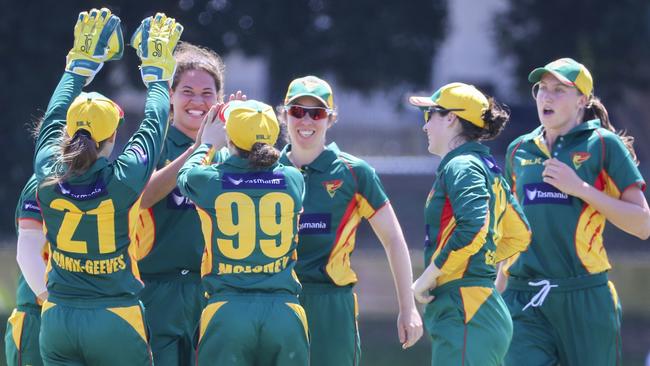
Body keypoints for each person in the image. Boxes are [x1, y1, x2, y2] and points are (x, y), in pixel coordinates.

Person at [33, 9, 182, 365]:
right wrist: (158, 75)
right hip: (114, 316)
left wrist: (78, 66)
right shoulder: (124, 177)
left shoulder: (47, 170)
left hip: (58, 318)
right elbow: (155, 120)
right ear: (114, 136)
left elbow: (53, 115)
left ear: (67, 135)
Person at [501, 57, 650, 366]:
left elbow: (642, 224)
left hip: (585, 297)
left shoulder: (603, 145)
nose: (547, 96)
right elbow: (511, 229)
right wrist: (494, 296)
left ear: (583, 99)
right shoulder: (518, 149)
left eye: (559, 89)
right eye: (542, 88)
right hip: (523, 296)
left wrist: (580, 188)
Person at [277, 75, 423, 366]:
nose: (306, 121)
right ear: (284, 116)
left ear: (330, 119)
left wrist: (408, 309)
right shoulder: (266, 171)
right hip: (276, 300)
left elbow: (393, 239)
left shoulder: (354, 173)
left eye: (316, 113)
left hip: (331, 304)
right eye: (297, 111)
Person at [177, 99, 308, 365]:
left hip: (228, 312)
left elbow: (186, 175)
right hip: (285, 312)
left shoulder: (210, 180)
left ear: (229, 139)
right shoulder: (294, 179)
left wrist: (207, 143)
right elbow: (263, 170)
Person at [409, 82, 531, 365]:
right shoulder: (483, 166)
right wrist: (477, 261)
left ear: (451, 118)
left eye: (430, 115)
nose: (424, 126)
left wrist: (428, 276)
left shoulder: (462, 165)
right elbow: (520, 234)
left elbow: (474, 228)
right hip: (479, 307)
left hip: (466, 308)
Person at [134, 41, 232, 366]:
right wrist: (199, 149)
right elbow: (141, 197)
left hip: (208, 288)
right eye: (187, 91)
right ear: (172, 97)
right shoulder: (155, 142)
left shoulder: (228, 151)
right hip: (156, 288)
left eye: (208, 94)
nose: (198, 101)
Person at [4, 175, 47, 366]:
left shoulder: (97, 177)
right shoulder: (44, 181)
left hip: (78, 314)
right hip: (38, 313)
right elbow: (26, 254)